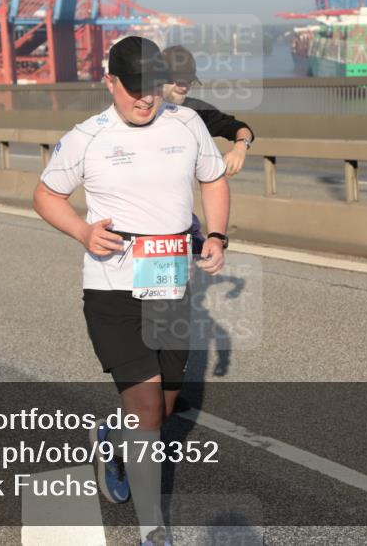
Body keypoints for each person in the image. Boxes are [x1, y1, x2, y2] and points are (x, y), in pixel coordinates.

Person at [33, 36, 230, 546]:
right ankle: (152, 531)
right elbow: (46, 194)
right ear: (111, 83)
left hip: (169, 284)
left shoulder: (185, 124)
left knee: (162, 409)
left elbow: (213, 179)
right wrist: (82, 231)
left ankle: (112, 442)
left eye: (155, 90)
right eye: (135, 90)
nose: (146, 100)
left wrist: (216, 233)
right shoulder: (86, 137)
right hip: (112, 289)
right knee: (145, 409)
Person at [162, 45, 254, 254]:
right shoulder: (138, 108)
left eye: (189, 81)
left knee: (185, 278)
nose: (184, 87)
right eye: (179, 80)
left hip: (179, 221)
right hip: (136, 220)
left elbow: (239, 128)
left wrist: (241, 146)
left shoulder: (195, 112)